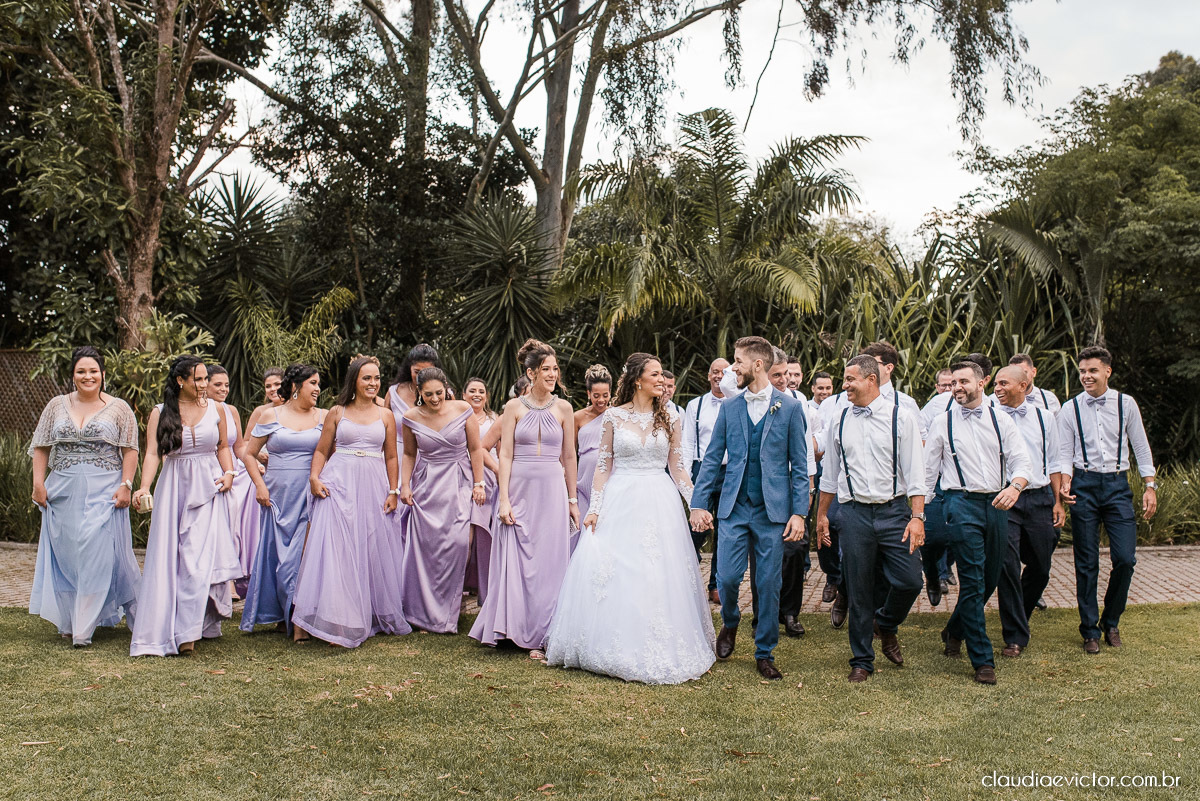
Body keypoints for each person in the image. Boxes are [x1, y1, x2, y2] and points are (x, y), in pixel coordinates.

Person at [545, 353, 716, 683]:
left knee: (656, 573)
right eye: (655, 375)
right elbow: (602, 467)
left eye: (662, 377)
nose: (662, 381)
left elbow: (679, 468)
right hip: (620, 497)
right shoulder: (612, 417)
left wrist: (696, 504)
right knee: (619, 570)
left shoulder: (670, 418)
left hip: (659, 498)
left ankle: (658, 643)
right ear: (638, 379)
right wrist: (594, 508)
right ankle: (612, 643)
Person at [690, 336, 809, 680]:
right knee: (726, 578)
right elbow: (712, 459)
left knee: (768, 583)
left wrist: (799, 512)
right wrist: (699, 502)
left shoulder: (789, 408)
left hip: (773, 513)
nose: (733, 368)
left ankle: (764, 651)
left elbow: (799, 466)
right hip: (734, 508)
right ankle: (729, 622)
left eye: (738, 362)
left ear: (758, 365)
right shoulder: (730, 407)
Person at [816, 355, 926, 682]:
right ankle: (861, 660)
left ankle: (887, 623)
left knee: (910, 580)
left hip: (894, 512)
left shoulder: (901, 418)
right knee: (859, 589)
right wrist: (822, 515)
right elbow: (830, 474)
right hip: (853, 514)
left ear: (871, 380)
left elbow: (916, 474)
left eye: (850, 379)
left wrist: (917, 516)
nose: (845, 385)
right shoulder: (838, 420)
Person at [923, 360, 1032, 684]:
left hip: (997, 503)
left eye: (963, 381)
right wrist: (918, 515)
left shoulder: (1001, 420)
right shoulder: (943, 423)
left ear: (981, 383)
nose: (957, 387)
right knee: (971, 580)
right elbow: (929, 474)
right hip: (960, 504)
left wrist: (1016, 486)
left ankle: (953, 630)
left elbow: (1021, 460)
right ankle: (982, 660)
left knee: (991, 576)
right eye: (953, 382)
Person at [291, 356, 412, 647]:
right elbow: (321, 451)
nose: (373, 383)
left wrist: (393, 491)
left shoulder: (386, 415)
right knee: (336, 551)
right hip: (338, 484)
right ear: (355, 381)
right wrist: (314, 478)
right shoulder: (336, 411)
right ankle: (328, 620)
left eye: (377, 378)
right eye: (367, 378)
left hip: (372, 485)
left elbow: (392, 456)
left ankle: (361, 614)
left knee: (366, 548)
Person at [469, 339, 579, 659]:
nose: (553, 374)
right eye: (546, 369)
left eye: (555, 369)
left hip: (552, 490)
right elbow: (504, 454)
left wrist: (572, 499)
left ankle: (547, 629)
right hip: (519, 488)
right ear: (530, 373)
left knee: (550, 559)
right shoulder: (514, 407)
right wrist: (503, 499)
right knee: (517, 556)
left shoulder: (564, 408)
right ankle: (511, 627)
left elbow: (569, 457)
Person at [28, 346, 140, 647]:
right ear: (73, 376)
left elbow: (130, 450)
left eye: (93, 371)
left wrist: (126, 484)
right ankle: (69, 618)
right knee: (68, 556)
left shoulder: (119, 408)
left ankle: (83, 627)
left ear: (103, 374)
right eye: (81, 371)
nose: (87, 376)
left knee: (94, 552)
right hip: (61, 490)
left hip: (104, 488)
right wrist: (39, 483)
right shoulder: (56, 405)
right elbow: (41, 446)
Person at [130, 356, 241, 656]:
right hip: (174, 487)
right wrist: (143, 486)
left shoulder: (215, 409)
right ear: (181, 381)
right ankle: (172, 626)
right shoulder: (160, 412)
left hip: (208, 487)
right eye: (199, 379)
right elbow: (152, 453)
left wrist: (229, 473)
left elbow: (223, 447)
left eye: (206, 379)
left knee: (196, 561)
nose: (205, 385)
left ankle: (189, 631)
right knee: (173, 558)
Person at [1057, 346, 1156, 653]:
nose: (1086, 376)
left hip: (1116, 485)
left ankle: (1110, 621)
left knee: (1125, 559)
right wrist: (1064, 483)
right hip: (1083, 485)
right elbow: (1064, 451)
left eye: (1092, 371)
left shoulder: (1126, 405)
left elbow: (1140, 444)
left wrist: (1150, 484)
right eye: (1082, 371)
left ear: (1107, 372)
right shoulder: (1070, 408)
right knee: (1086, 562)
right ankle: (1090, 630)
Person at [239, 364, 326, 635]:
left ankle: (301, 619)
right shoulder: (270, 415)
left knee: (302, 556)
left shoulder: (324, 416)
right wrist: (259, 485)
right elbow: (249, 453)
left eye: (318, 383)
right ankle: (280, 612)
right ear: (296, 387)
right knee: (278, 557)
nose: (317, 388)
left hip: (310, 494)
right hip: (277, 495)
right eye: (312, 383)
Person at [399, 368, 486, 633]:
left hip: (459, 481)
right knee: (428, 550)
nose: (434, 399)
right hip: (427, 486)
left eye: (438, 393)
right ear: (419, 393)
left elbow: (475, 448)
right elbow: (409, 454)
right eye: (428, 395)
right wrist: (404, 484)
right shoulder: (410, 417)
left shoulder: (462, 409)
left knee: (459, 544)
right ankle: (425, 615)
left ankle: (449, 611)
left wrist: (479, 483)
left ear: (446, 389)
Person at [992, 366, 1064, 658]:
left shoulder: (1044, 417)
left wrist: (1058, 501)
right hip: (1004, 498)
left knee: (1041, 567)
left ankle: (1019, 614)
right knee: (1007, 566)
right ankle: (1015, 636)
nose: (996, 388)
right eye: (995, 383)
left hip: (1039, 497)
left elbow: (1055, 461)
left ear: (1024, 385)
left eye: (1003, 383)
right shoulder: (990, 415)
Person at [745, 347, 817, 639]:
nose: (785, 380)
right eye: (778, 374)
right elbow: (727, 376)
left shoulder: (798, 403)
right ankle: (763, 614)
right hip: (763, 488)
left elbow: (805, 457)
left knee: (795, 549)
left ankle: (790, 611)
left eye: (787, 374)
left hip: (793, 484)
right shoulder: (748, 398)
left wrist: (808, 492)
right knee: (761, 552)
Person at [205, 365, 258, 600]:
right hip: (210, 473)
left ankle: (234, 578)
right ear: (203, 384)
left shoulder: (231, 411)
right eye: (217, 384)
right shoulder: (199, 411)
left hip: (234, 473)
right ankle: (220, 582)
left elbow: (239, 447)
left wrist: (254, 460)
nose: (224, 389)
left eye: (226, 385)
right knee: (218, 527)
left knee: (234, 526)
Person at [681, 358, 729, 604]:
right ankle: (685, 581)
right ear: (708, 375)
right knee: (694, 529)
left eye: (724, 372)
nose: (719, 376)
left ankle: (716, 585)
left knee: (725, 530)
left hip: (730, 472)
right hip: (702, 471)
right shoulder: (695, 405)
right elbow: (688, 442)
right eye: (715, 372)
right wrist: (689, 480)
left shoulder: (737, 403)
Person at [462, 377, 501, 603]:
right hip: (463, 477)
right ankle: (457, 591)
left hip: (488, 479)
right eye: (472, 391)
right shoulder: (457, 417)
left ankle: (485, 593)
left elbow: (498, 449)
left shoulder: (494, 419)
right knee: (464, 538)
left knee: (486, 535)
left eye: (481, 391)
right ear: (464, 394)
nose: (477, 394)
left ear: (486, 396)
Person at [573, 364, 612, 548]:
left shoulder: (616, 416)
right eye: (596, 396)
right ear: (588, 394)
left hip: (608, 478)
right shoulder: (577, 417)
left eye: (605, 395)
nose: (601, 400)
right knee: (582, 528)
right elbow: (569, 452)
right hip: (582, 482)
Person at [996, 353, 1062, 414]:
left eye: (1024, 373)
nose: (1020, 378)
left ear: (1034, 372)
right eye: (1014, 374)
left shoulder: (1049, 399)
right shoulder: (994, 400)